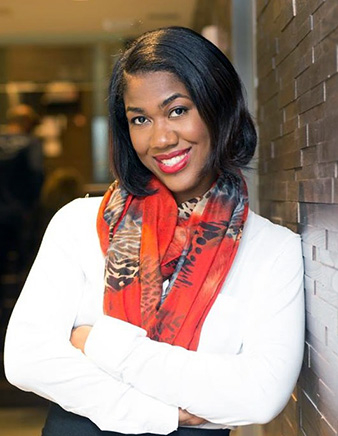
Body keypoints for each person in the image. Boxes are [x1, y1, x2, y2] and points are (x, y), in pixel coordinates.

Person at [4, 27, 304, 436]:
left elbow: (259, 395)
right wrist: (162, 413)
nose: (160, 139)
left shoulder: (273, 249)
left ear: (220, 108)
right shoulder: (76, 224)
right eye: (140, 119)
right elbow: (26, 359)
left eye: (178, 110)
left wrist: (98, 343)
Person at [0, 104, 43, 275]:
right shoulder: (31, 143)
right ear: (28, 123)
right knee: (25, 267)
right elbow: (36, 175)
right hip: (22, 213)